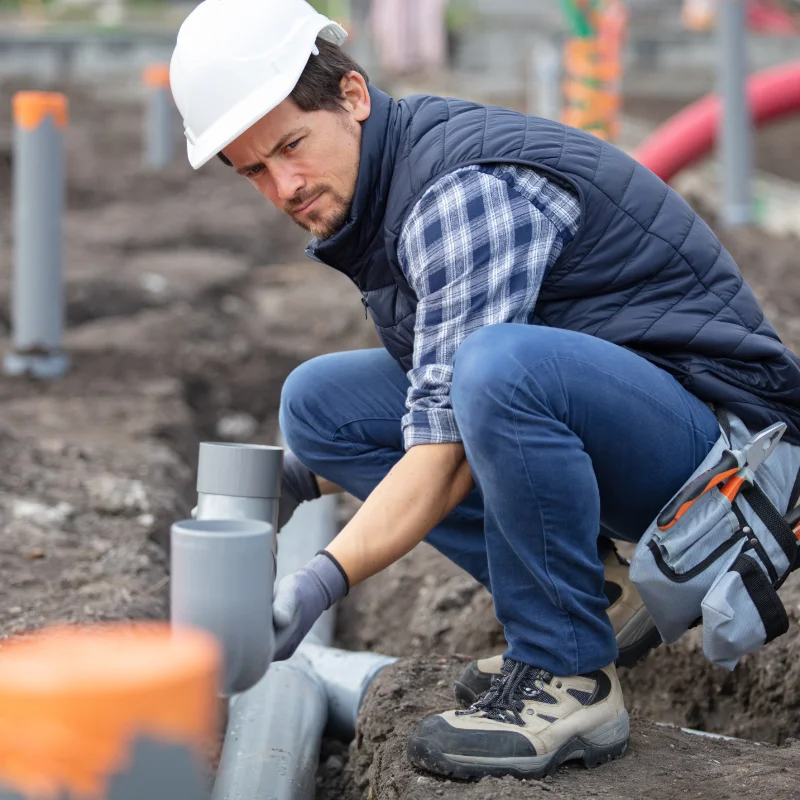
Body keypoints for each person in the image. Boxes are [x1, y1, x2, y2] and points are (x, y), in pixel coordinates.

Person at [169, 0, 800, 781]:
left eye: (292, 146)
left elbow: (447, 446)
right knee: (317, 403)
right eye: (256, 169)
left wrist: (314, 585)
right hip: (622, 406)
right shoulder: (383, 184)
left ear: (354, 96)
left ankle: (568, 674)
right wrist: (282, 483)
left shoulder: (456, 193)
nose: (285, 185)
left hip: (724, 456)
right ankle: (593, 594)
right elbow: (430, 402)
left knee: (497, 370)